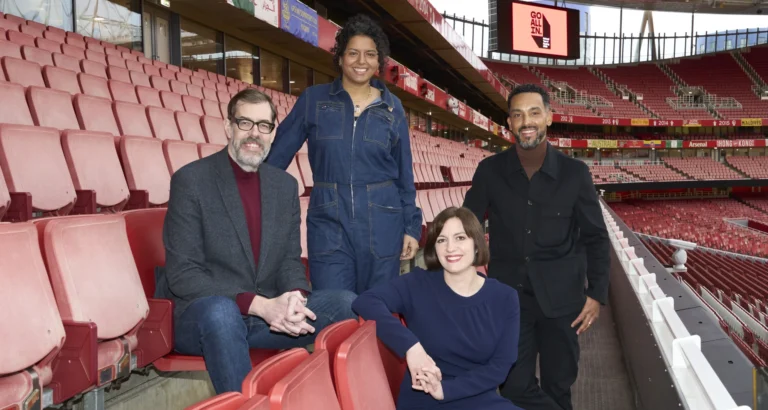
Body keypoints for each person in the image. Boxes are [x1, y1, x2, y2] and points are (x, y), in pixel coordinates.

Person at [155, 89, 357, 394]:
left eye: (264, 125)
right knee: (222, 314)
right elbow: (184, 275)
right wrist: (260, 306)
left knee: (346, 303)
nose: (254, 134)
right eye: (245, 123)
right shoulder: (191, 181)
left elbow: (290, 260)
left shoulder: (284, 186)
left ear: (274, 132)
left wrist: (293, 298)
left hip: (264, 317)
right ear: (228, 127)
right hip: (204, 317)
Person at [462, 83, 610, 410]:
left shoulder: (575, 174)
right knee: (514, 387)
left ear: (548, 118)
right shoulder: (489, 171)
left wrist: (597, 294)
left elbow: (596, 237)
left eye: (533, 112)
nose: (526, 121)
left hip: (563, 302)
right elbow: (467, 224)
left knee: (559, 386)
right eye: (518, 115)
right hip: (509, 300)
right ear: (510, 123)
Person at [265, 14, 421, 294]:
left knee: (378, 309)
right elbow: (276, 158)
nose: (361, 61)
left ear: (379, 62)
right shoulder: (314, 99)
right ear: (340, 58)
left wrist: (411, 226)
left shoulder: (392, 107)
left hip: (383, 222)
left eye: (370, 55)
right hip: (329, 222)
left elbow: (404, 173)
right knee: (334, 306)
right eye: (353, 53)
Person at [352, 207, 522, 410]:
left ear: (477, 244)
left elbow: (500, 367)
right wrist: (411, 347)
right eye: (442, 240)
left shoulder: (505, 297)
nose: (450, 248)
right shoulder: (417, 284)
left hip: (476, 395)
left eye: (460, 238)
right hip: (425, 398)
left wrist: (447, 390)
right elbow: (366, 301)